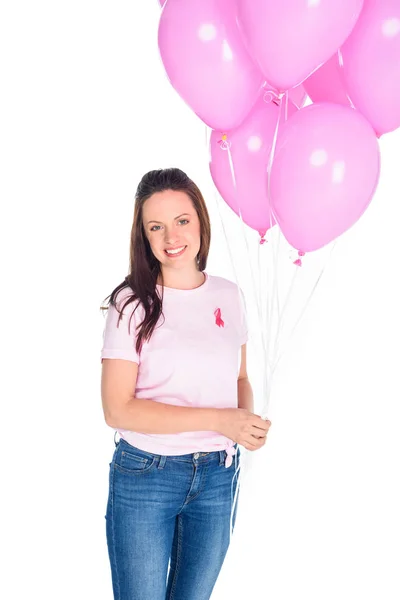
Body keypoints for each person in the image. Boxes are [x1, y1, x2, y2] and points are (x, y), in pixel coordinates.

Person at [100, 168, 271, 600]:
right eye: (155, 226)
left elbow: (239, 377)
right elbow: (117, 410)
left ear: (200, 222)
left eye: (182, 220)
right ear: (143, 235)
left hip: (217, 477)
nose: (170, 236)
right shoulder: (131, 303)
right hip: (147, 475)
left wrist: (244, 422)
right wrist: (222, 420)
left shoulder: (229, 296)